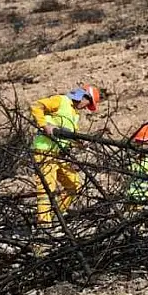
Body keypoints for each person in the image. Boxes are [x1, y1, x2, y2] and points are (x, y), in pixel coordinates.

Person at [30, 85, 100, 226]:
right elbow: (36, 106)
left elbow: (68, 137)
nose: (87, 107)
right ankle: (44, 226)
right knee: (46, 189)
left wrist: (79, 143)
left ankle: (57, 215)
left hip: (59, 155)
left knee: (74, 185)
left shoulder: (74, 114)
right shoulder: (60, 101)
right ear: (83, 96)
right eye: (89, 103)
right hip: (44, 151)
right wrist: (45, 126)